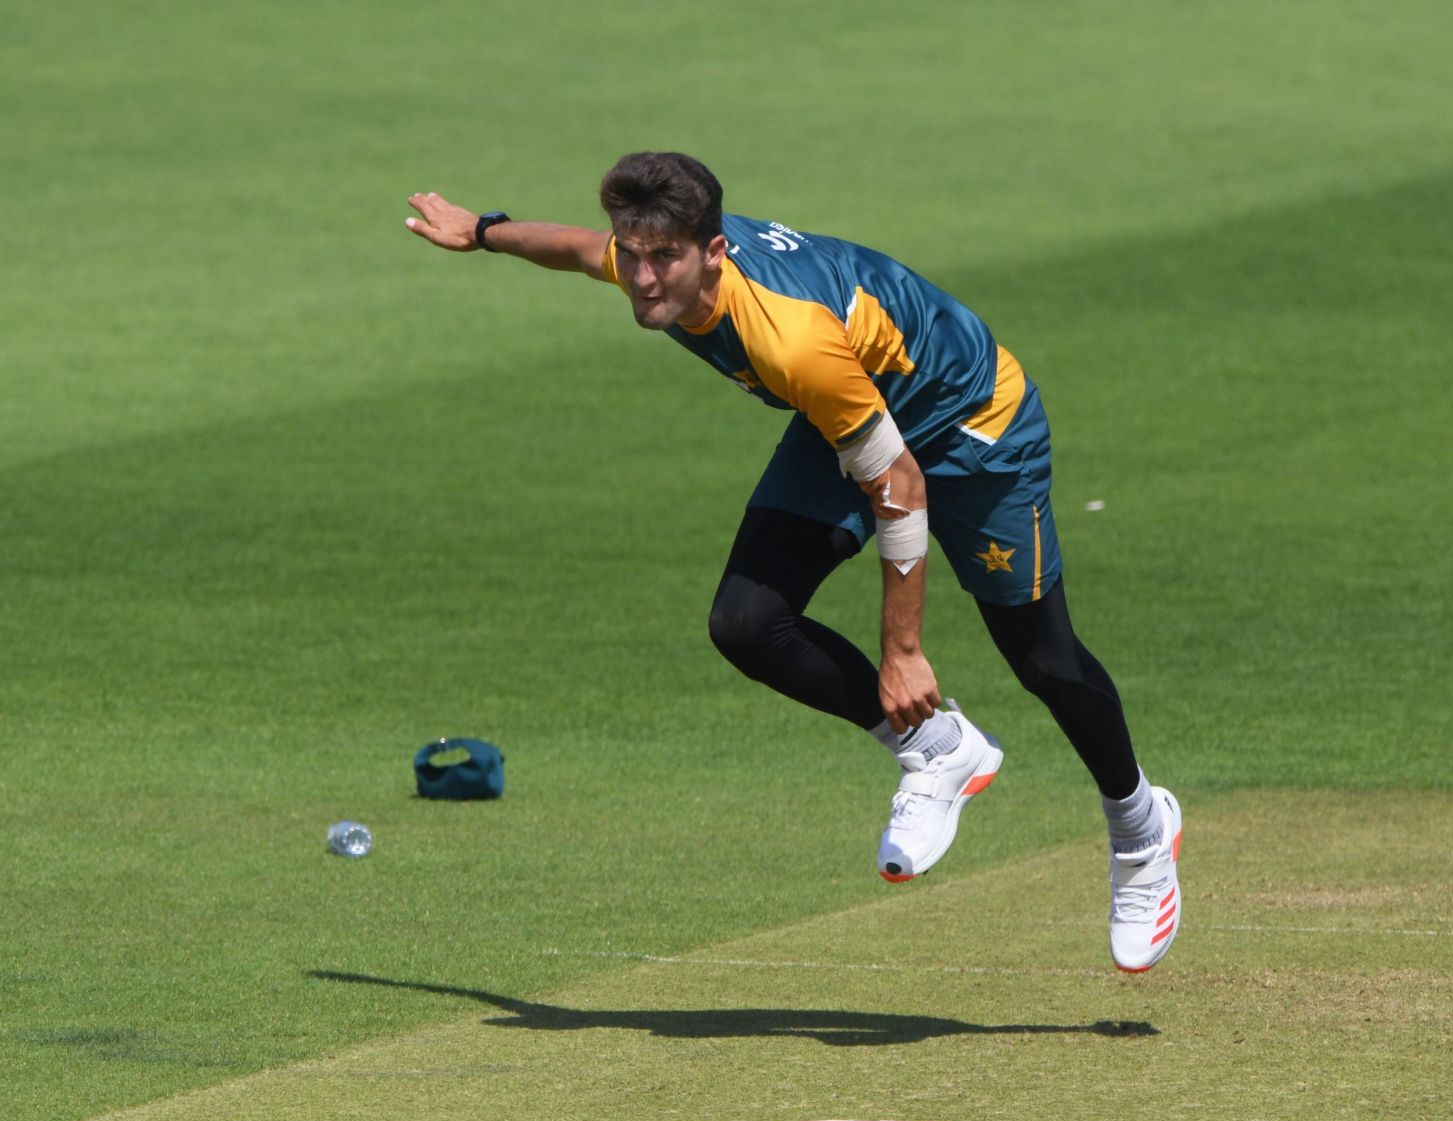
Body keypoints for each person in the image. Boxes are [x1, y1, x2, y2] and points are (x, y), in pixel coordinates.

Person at [404, 152, 1182, 972]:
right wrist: (482, 231)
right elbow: (570, 246)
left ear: (714, 254)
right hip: (851, 412)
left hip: (969, 421)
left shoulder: (790, 338)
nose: (640, 277)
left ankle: (1140, 827)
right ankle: (937, 750)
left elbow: (900, 483)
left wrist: (904, 652)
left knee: (1043, 658)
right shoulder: (654, 260)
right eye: (630, 255)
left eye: (661, 258)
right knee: (746, 624)